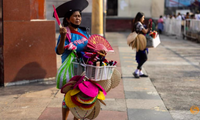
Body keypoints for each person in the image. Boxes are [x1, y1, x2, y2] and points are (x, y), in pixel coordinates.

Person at [54, 0, 89, 120]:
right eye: (75, 16)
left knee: (81, 95)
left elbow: (90, 48)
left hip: (84, 69)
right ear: (68, 19)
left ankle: (76, 118)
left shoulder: (84, 32)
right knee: (69, 96)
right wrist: (63, 36)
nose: (78, 18)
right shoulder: (65, 32)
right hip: (71, 70)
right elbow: (59, 51)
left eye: (79, 16)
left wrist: (99, 52)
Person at [132, 12, 150, 78]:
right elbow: (144, 31)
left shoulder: (137, 23)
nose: (143, 19)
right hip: (140, 41)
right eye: (143, 18)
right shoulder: (138, 23)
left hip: (140, 41)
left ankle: (140, 72)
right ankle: (136, 71)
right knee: (144, 57)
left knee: (142, 56)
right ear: (140, 18)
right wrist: (149, 28)